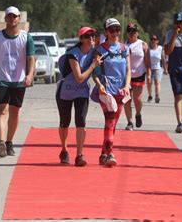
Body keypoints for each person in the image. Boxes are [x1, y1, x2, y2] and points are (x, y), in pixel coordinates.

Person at [0, 6, 36, 158]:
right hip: (1, 80)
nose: (12, 19)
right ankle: (1, 141)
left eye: (15, 16)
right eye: (9, 16)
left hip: (19, 80)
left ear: (19, 18)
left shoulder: (26, 37)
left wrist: (30, 75)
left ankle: (9, 142)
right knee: (2, 110)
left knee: (14, 111)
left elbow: (31, 59)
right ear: (5, 18)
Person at [56, 27, 101, 166]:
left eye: (93, 35)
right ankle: (64, 150)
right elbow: (79, 78)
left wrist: (101, 84)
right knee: (65, 122)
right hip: (66, 92)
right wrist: (93, 65)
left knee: (81, 121)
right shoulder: (72, 55)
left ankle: (79, 155)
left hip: (82, 92)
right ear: (81, 39)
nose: (91, 38)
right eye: (87, 36)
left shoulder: (94, 52)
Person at [93, 18, 131, 167]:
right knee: (110, 120)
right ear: (106, 32)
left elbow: (128, 70)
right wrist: (99, 85)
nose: (115, 33)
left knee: (113, 123)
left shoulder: (124, 49)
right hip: (106, 92)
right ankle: (109, 154)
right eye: (112, 30)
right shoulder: (100, 50)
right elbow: (94, 73)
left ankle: (103, 154)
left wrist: (127, 86)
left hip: (121, 92)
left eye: (117, 29)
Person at [123, 23, 151, 130]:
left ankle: (138, 113)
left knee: (137, 99)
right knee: (127, 99)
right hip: (126, 76)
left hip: (139, 75)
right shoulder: (123, 46)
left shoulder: (142, 45)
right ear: (127, 33)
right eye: (129, 31)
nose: (132, 33)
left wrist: (149, 75)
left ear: (137, 33)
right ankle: (129, 122)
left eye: (134, 31)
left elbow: (148, 63)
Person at [147, 34, 167, 104]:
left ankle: (157, 96)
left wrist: (165, 69)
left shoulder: (160, 49)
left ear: (157, 41)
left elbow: (163, 59)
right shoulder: (148, 49)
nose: (153, 40)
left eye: (154, 39)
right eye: (151, 39)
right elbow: (145, 60)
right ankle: (150, 96)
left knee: (157, 83)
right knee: (149, 83)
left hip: (158, 68)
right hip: (149, 68)